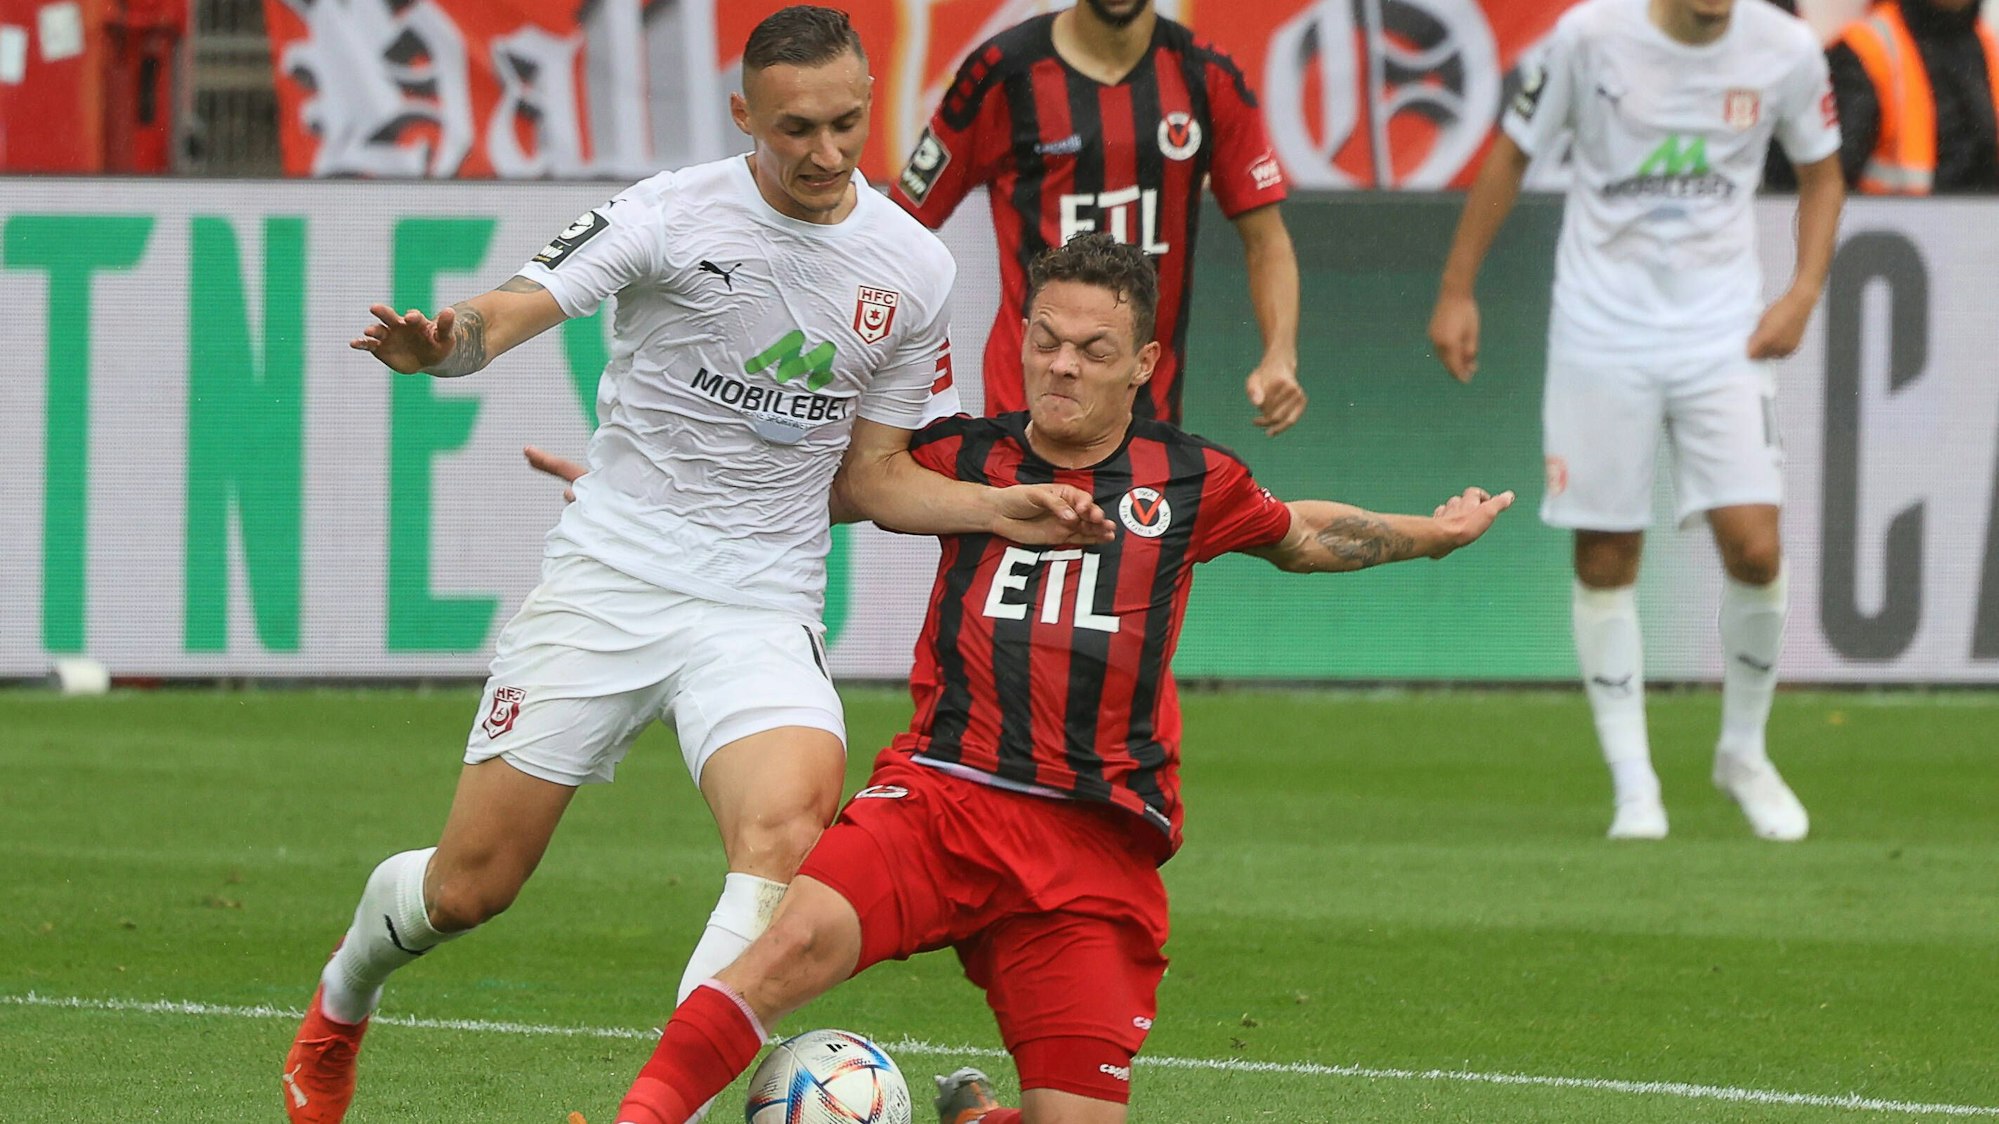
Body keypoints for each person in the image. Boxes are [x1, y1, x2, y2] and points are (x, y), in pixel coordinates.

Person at [279, 9, 1116, 1123]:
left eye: (848, 123)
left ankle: (653, 1109)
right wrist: (446, 348)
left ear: (872, 97)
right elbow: (510, 308)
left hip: (761, 597)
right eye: (796, 129)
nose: (825, 153)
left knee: (784, 827)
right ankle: (340, 1005)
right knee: (469, 885)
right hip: (610, 575)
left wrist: (992, 507)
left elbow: (872, 475)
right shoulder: (670, 213)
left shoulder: (911, 267)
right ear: (743, 118)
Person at [584, 234, 1510, 1124]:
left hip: (1092, 841)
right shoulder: (960, 458)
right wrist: (643, 500)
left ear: (1142, 361)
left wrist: (1436, 537)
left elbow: (1304, 537)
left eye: (1092, 349)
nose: (1062, 365)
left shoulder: (1188, 480)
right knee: (783, 948)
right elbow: (794, 491)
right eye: (1045, 340)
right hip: (943, 797)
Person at [1428, 0, 1846, 841]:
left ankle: (1743, 752)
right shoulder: (1589, 37)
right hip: (1599, 330)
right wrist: (1456, 287)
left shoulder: (1786, 50)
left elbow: (1822, 172)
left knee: (1755, 545)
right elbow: (1511, 153)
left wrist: (1802, 290)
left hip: (1721, 331)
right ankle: (1633, 785)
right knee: (1607, 549)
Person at [890, 0, 1307, 435]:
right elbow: (902, 224)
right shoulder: (1003, 71)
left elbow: (1267, 241)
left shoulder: (1208, 76)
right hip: (1021, 413)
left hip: (1149, 419)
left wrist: (1280, 354)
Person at [1828, 0, 1999, 193]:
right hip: (1892, 218)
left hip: (1982, 219)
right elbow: (1829, 181)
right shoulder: (1867, 48)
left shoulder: (1985, 44)